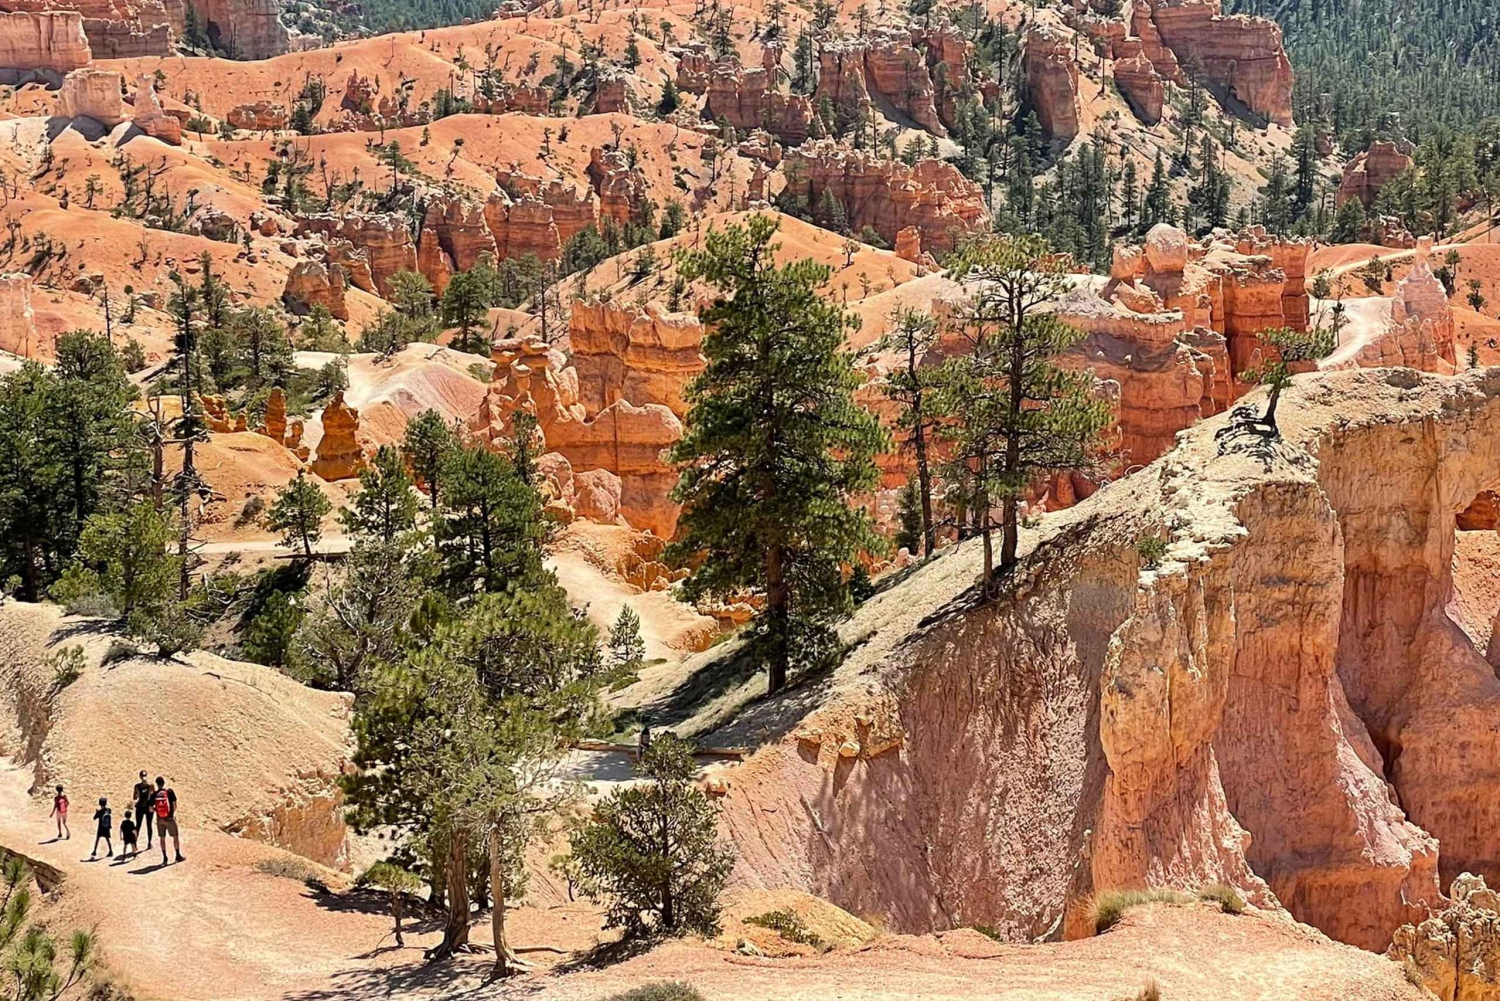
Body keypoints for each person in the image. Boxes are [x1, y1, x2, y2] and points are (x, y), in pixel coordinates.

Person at [152, 777, 183, 865]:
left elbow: (150, 808)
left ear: (157, 784)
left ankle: (165, 858)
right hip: (169, 818)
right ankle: (178, 855)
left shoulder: (155, 794)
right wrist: (170, 813)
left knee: (162, 838)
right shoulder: (169, 792)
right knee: (175, 836)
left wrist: (158, 811)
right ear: (164, 783)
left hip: (160, 819)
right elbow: (174, 806)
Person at [132, 771, 154, 850]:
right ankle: (149, 843)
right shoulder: (150, 785)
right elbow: (153, 795)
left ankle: (135, 843)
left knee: (138, 825)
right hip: (148, 807)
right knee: (148, 825)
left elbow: (134, 797)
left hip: (140, 807)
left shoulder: (137, 786)